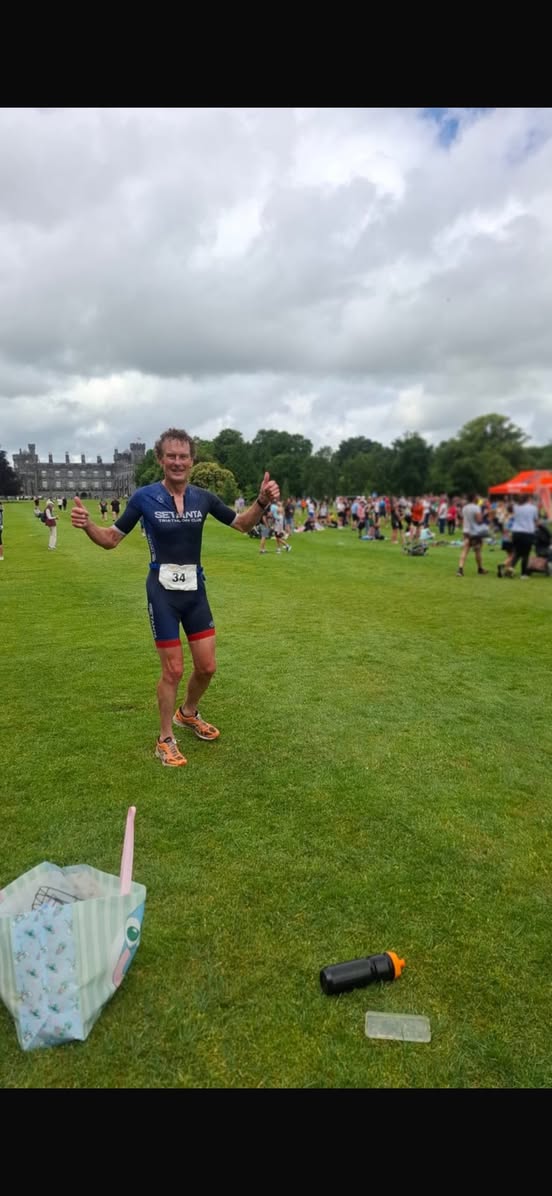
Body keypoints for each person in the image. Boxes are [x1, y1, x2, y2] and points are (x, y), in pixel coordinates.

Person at [72, 427, 280, 768]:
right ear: (160, 459)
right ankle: (165, 739)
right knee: (173, 670)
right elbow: (111, 539)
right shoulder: (144, 497)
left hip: (195, 591)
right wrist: (88, 526)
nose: (178, 462)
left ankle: (188, 713)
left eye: (184, 456)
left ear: (192, 460)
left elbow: (243, 524)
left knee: (207, 667)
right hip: (162, 594)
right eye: (171, 456)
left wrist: (261, 502)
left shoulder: (203, 498)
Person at [503, 494, 539, 579]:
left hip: (516, 532)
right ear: (528, 499)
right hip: (527, 532)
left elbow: (509, 510)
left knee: (517, 552)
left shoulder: (516, 507)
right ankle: (523, 574)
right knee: (525, 554)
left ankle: (510, 568)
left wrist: (510, 500)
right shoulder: (533, 508)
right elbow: (536, 521)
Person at [456, 493, 488, 576]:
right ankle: (480, 568)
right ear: (474, 498)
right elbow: (479, 520)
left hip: (466, 531)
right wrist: (485, 515)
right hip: (475, 532)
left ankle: (460, 569)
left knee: (465, 550)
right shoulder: (476, 507)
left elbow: (463, 519)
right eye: (477, 497)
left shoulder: (465, 508)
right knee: (477, 550)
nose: (478, 499)